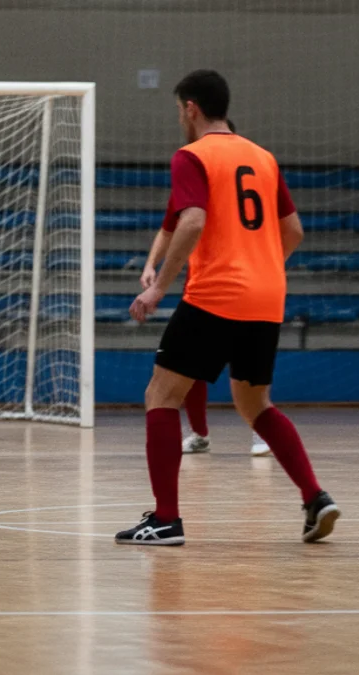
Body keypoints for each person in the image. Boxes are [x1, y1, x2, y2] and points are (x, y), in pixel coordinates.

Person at [117, 70, 338, 546]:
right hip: (267, 297)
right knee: (255, 403)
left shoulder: (192, 156)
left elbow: (192, 221)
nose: (180, 118)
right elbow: (294, 230)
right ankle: (315, 497)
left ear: (191, 107)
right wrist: (260, 266)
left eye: (179, 110)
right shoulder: (262, 156)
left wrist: (158, 289)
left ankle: (165, 519)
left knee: (161, 395)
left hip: (217, 294)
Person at [139, 120, 271, 458]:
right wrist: (150, 264)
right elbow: (170, 228)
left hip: (230, 286)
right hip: (202, 288)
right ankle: (200, 434)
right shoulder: (194, 181)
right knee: (187, 369)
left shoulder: (220, 178)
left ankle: (261, 433)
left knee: (244, 375)